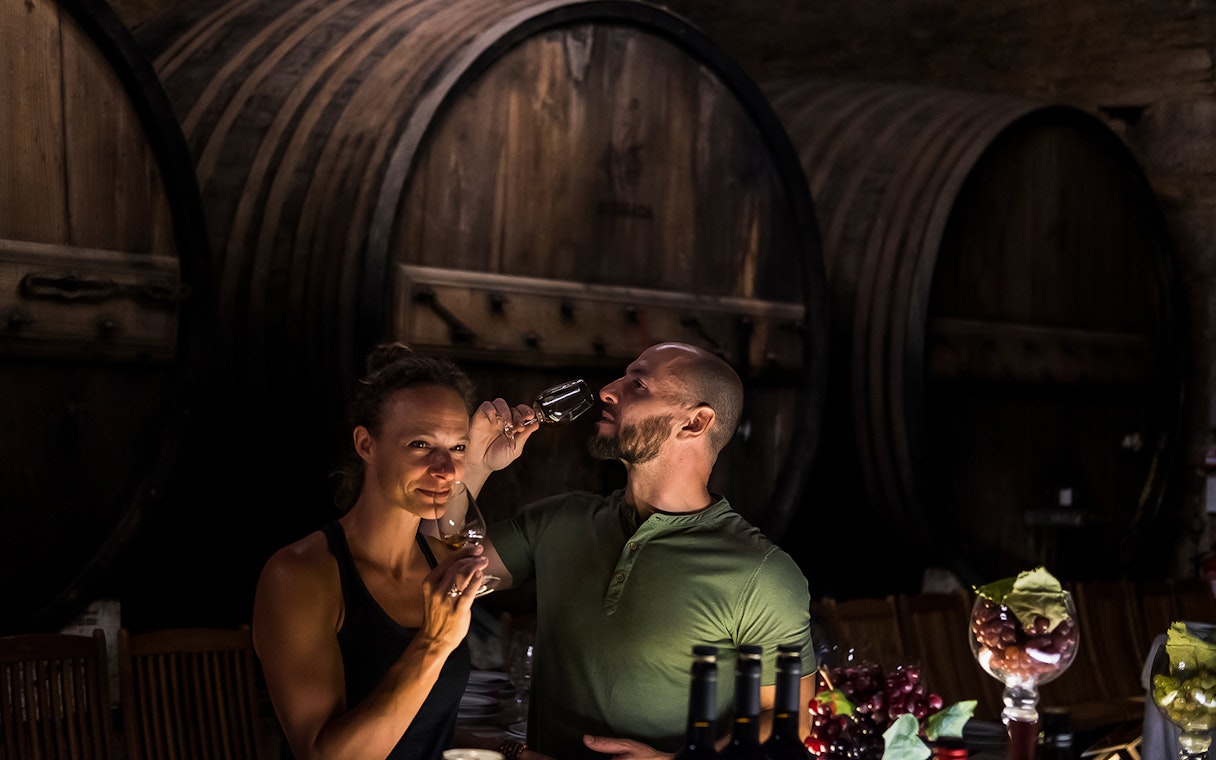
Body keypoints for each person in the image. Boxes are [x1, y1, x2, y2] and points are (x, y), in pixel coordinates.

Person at [465, 342, 816, 760]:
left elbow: (789, 718)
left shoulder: (761, 573)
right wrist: (473, 464)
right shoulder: (560, 521)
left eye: (638, 384)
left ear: (695, 422)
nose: (608, 391)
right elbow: (435, 575)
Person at [251, 344, 494, 760]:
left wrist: (516, 749)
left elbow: (428, 728)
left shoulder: (441, 560)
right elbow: (322, 756)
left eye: (457, 448)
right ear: (367, 445)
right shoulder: (300, 575)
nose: (447, 469)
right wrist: (433, 643)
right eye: (420, 444)